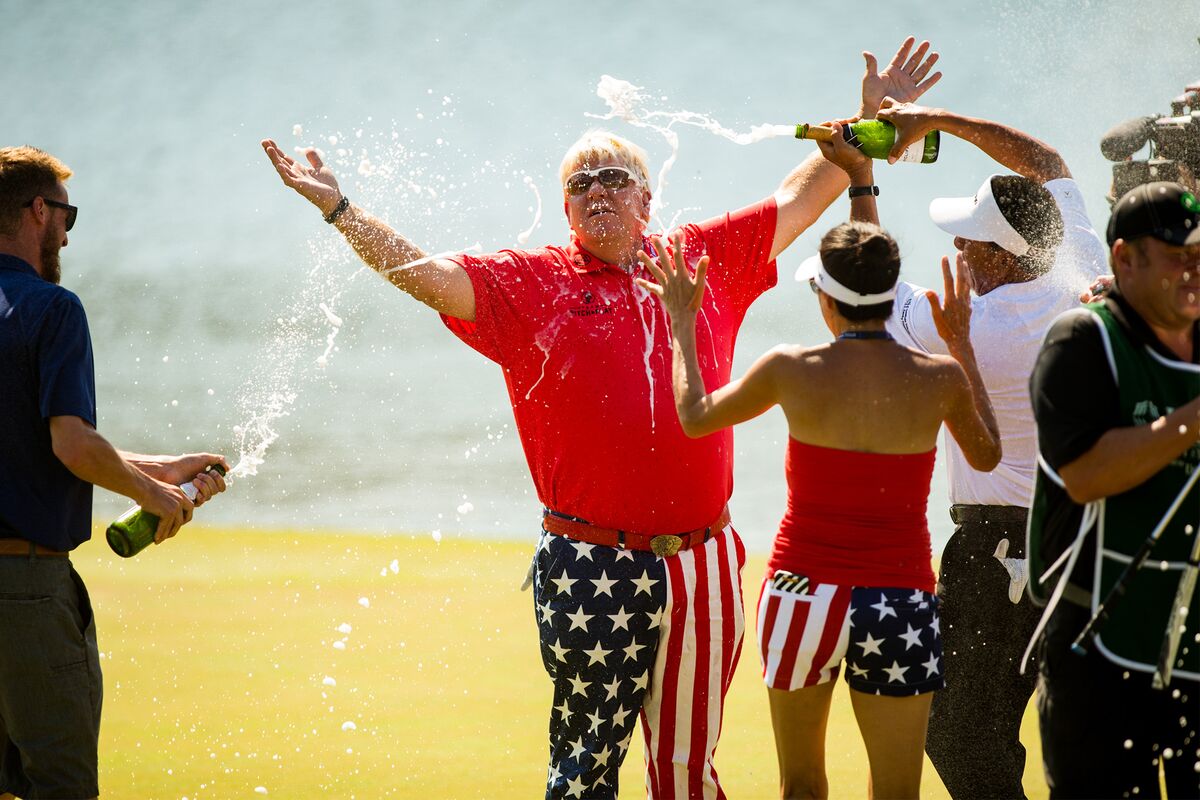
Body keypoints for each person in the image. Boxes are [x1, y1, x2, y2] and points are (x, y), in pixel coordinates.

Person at [260, 40, 942, 800]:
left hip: (705, 564)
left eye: (614, 177)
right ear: (567, 210)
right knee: (583, 776)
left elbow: (798, 198)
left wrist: (868, 121)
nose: (596, 191)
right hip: (590, 565)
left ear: (647, 199)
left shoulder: (697, 259)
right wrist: (341, 211)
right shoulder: (533, 284)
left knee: (686, 775)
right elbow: (427, 277)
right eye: (579, 183)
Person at [639, 125, 1000, 799]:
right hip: (900, 596)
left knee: (801, 786)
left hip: (802, 594)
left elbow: (693, 418)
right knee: (897, 792)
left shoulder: (790, 370)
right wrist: (962, 346)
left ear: (826, 299)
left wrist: (682, 325)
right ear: (893, 294)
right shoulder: (940, 377)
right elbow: (987, 454)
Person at [869, 99, 1108, 798]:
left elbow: (866, 283)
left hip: (997, 556)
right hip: (1083, 539)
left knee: (959, 733)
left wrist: (862, 174)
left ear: (1004, 256)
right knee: (1067, 726)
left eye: (971, 242)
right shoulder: (1081, 269)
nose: (959, 251)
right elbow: (1049, 165)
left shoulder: (976, 327)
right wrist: (938, 119)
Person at [0, 146, 228, 800]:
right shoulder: (53, 309)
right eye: (66, 214)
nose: (67, 232)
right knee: (59, 786)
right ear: (39, 210)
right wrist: (157, 494)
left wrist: (157, 466)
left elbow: (34, 446)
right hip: (25, 591)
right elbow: (70, 443)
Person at [1028, 181, 1200, 799]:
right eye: (1179, 255)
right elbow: (1085, 474)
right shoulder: (1083, 340)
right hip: (1096, 648)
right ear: (1125, 259)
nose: (1194, 270)